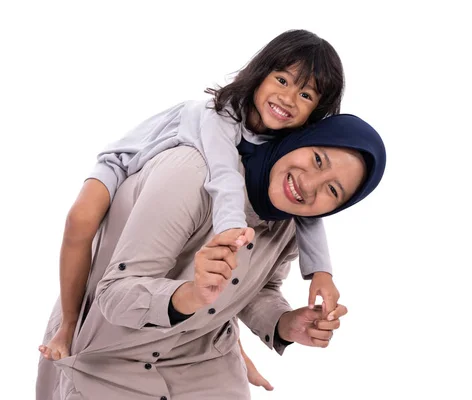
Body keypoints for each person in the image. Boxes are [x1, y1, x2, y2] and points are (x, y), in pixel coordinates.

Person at [39, 29, 346, 386]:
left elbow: (305, 212)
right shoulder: (219, 117)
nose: (288, 97)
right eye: (281, 79)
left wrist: (320, 271)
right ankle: (67, 326)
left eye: (305, 94)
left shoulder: (283, 150)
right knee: (80, 221)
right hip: (126, 161)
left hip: (200, 198)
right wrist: (232, 231)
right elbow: (224, 176)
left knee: (218, 272)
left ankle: (229, 350)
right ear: (260, 74)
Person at [36, 114, 387, 399]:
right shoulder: (191, 173)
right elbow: (114, 295)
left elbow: (259, 290)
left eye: (332, 190)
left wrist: (286, 323)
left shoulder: (292, 224)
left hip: (203, 361)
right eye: (316, 159)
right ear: (296, 139)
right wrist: (189, 295)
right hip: (107, 356)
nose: (309, 185)